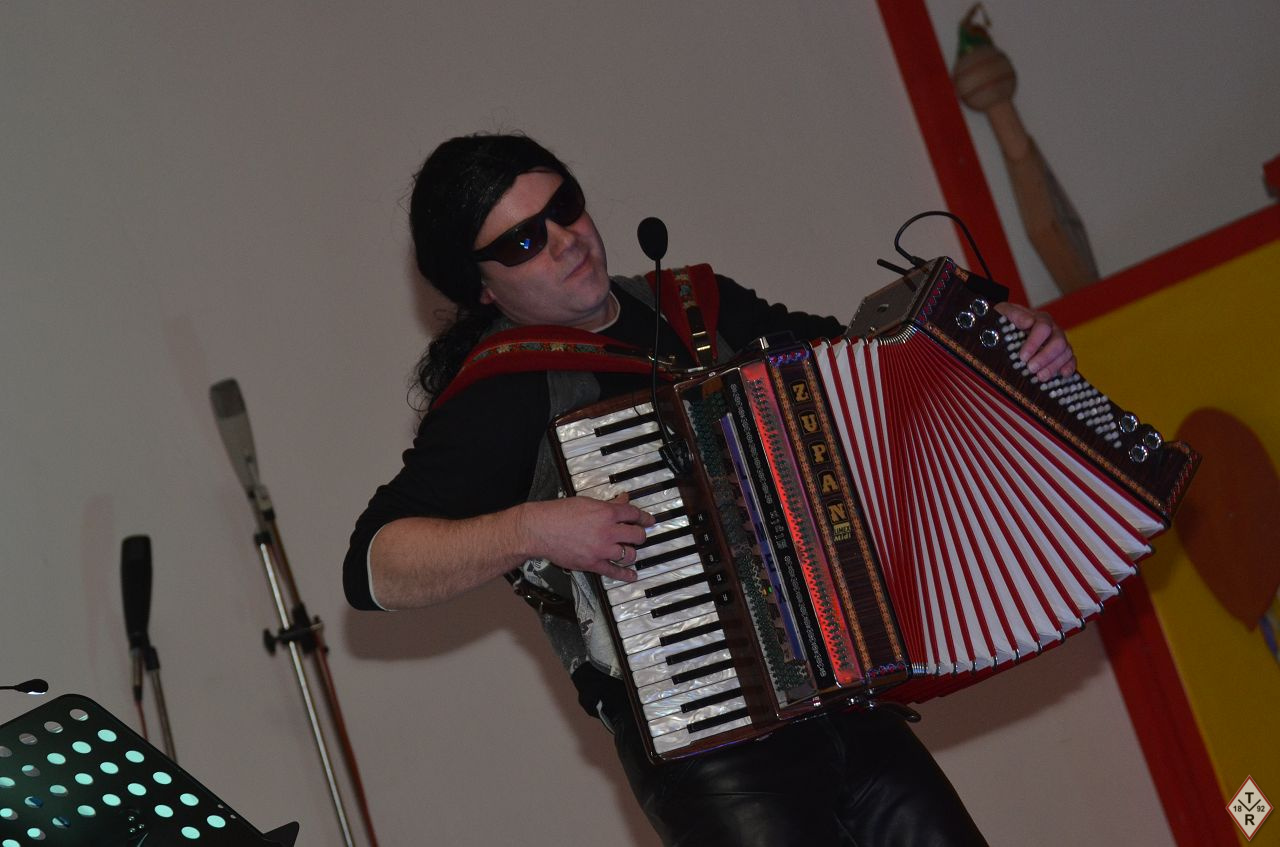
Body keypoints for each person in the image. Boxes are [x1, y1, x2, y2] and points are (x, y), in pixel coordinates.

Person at [343, 133, 1077, 846]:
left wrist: (995, 341)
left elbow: (873, 367)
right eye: (523, 241)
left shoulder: (699, 305)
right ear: (483, 287)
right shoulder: (499, 396)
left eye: (564, 207)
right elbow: (374, 565)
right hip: (708, 746)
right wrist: (534, 528)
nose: (566, 240)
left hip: (845, 693)